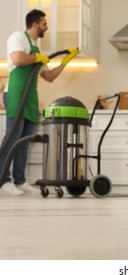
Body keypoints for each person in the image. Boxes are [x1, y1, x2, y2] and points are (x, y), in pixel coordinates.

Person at [0, 9, 79, 195]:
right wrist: (37, 58)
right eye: (44, 24)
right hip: (16, 93)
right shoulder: (17, 37)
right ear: (35, 24)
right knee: (12, 137)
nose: (46, 27)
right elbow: (18, 59)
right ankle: (3, 181)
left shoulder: (38, 49)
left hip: (30, 97)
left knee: (25, 140)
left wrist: (65, 62)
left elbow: (49, 76)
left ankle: (20, 181)